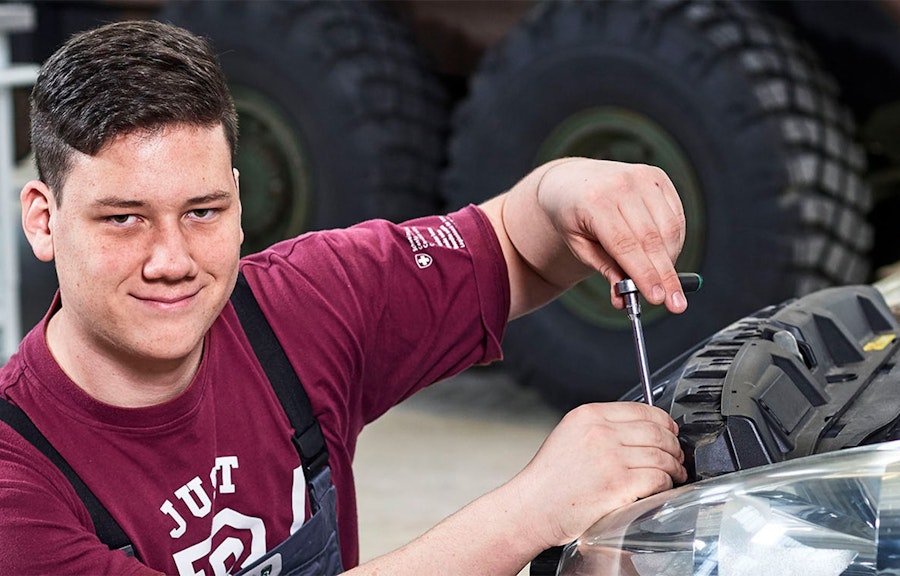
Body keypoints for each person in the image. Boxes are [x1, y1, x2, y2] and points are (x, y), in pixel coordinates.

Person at [0, 19, 689, 576]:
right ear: (42, 218)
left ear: (240, 201)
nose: (172, 261)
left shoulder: (301, 307)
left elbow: (514, 239)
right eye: (124, 218)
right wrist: (531, 511)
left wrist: (577, 188)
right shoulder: (16, 488)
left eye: (202, 212)